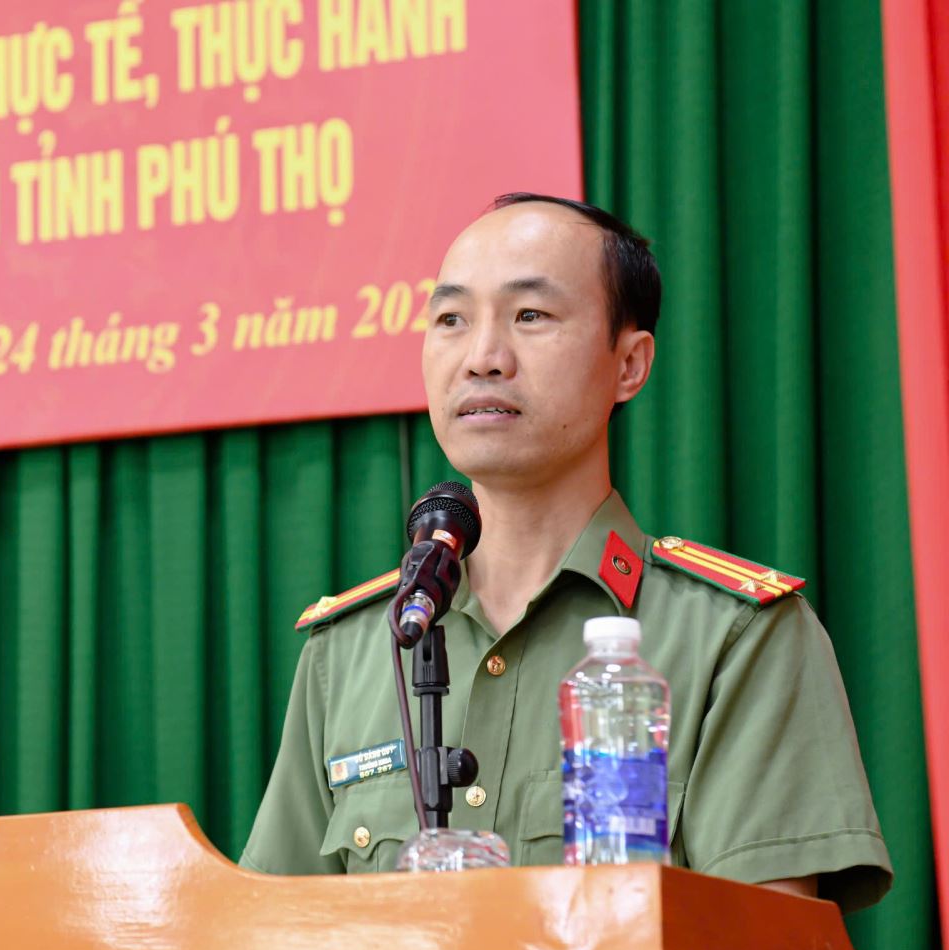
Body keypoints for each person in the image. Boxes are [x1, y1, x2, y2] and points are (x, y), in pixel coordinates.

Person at [238, 193, 891, 912]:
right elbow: (269, 943)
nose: (482, 358)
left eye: (530, 316)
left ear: (629, 365)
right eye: (451, 319)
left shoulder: (734, 639)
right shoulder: (354, 649)